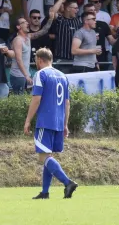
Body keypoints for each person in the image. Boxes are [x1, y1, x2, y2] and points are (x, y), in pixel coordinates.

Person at [24, 48, 78, 200]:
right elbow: (67, 103)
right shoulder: (62, 76)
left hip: (45, 120)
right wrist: (65, 124)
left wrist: (28, 120)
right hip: (59, 122)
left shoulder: (41, 74)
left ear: (39, 60)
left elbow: (36, 99)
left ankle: (68, 182)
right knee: (48, 156)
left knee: (43, 157)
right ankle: (45, 192)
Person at [10, 9, 56, 94]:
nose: (27, 23)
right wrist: (26, 75)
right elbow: (18, 59)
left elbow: (43, 31)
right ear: (18, 27)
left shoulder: (28, 36)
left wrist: (50, 19)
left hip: (25, 74)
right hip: (18, 76)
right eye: (24, 22)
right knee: (19, 100)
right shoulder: (18, 40)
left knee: (27, 99)